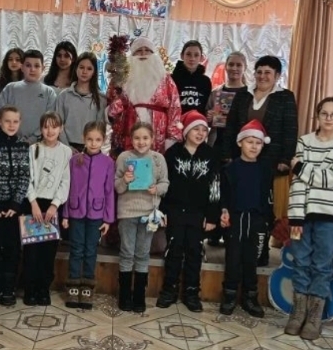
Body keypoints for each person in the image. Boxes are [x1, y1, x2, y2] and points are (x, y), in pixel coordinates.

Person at [284, 97, 333, 341]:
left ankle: (314, 317)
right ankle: (298, 313)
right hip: (301, 214)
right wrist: (295, 215)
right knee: (301, 262)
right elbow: (299, 183)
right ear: (317, 115)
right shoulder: (304, 141)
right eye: (324, 113)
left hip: (330, 215)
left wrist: (302, 168)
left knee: (322, 265)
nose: (328, 118)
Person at [223, 55, 298, 266]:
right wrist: (227, 154)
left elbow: (291, 130)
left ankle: (260, 252)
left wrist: (285, 158)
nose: (263, 76)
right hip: (242, 161)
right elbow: (231, 126)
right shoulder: (243, 95)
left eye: (268, 72)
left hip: (270, 162)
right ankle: (235, 248)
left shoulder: (285, 97)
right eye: (259, 72)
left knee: (263, 208)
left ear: (277, 75)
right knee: (240, 204)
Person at [156, 111, 220, 312]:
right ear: (186, 132)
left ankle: (192, 292)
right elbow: (164, 183)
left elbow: (215, 187)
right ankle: (169, 290)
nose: (200, 133)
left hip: (198, 213)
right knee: (174, 250)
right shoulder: (172, 153)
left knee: (194, 252)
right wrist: (163, 210)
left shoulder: (210, 155)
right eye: (196, 129)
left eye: (204, 130)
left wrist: (212, 215)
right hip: (175, 211)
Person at [219, 119, 274, 318]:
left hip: (256, 219)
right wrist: (224, 210)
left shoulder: (265, 169)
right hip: (235, 218)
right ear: (240, 142)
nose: (254, 146)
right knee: (233, 258)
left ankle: (250, 297)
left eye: (258, 143)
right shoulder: (230, 168)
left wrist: (268, 220)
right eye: (250, 142)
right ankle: (229, 295)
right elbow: (224, 194)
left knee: (252, 260)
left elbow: (268, 196)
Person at [114, 122, 169, 313]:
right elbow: (117, 187)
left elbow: (165, 183)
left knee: (143, 253)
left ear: (152, 139)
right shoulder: (124, 157)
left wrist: (157, 189)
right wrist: (124, 180)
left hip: (148, 213)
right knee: (127, 252)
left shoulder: (158, 159)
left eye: (145, 138)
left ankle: (139, 295)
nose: (141, 142)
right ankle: (124, 294)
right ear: (131, 139)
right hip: (127, 212)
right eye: (137, 138)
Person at [62, 121, 115, 309]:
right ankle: (73, 285)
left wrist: (108, 218)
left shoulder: (108, 163)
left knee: (91, 250)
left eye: (98, 139)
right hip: (75, 212)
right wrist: (65, 214)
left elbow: (109, 191)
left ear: (103, 140)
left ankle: (87, 287)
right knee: (76, 249)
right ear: (84, 139)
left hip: (96, 214)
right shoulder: (74, 161)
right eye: (90, 139)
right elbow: (68, 188)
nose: (93, 143)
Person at [22, 111, 72, 306]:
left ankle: (43, 289)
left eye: (54, 127)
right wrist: (33, 203)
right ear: (41, 129)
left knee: (48, 252)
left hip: (52, 206)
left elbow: (65, 181)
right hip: (33, 203)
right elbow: (27, 178)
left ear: (61, 128)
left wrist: (55, 204)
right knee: (31, 251)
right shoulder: (33, 149)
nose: (50, 131)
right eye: (46, 127)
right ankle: (30, 289)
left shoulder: (66, 152)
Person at [0, 105, 30, 307]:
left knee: (12, 249)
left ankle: (8, 289)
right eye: (7, 121)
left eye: (15, 121)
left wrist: (16, 203)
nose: (11, 125)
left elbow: (25, 176)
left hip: (14, 208)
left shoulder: (23, 145)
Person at [108, 37, 182, 156]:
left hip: (158, 132)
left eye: (147, 50)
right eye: (138, 50)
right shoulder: (122, 78)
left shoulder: (165, 78)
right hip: (128, 128)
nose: (143, 54)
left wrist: (172, 136)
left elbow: (175, 107)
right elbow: (110, 103)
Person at [206, 51, 248, 247]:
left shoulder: (249, 94)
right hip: (217, 143)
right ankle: (214, 230)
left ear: (244, 68)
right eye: (231, 64)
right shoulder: (216, 93)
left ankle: (232, 231)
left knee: (235, 189)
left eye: (239, 65)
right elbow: (207, 121)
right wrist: (209, 118)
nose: (234, 68)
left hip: (239, 148)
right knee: (216, 188)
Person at [0, 49, 57, 144]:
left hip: (39, 143)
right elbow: (2, 114)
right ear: (22, 67)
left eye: (37, 66)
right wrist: (13, 136)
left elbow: (49, 120)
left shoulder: (49, 92)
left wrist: (33, 138)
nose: (32, 69)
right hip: (10, 141)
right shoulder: (10, 88)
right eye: (28, 65)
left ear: (43, 68)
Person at [56, 52, 107, 153]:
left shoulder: (101, 98)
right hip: (66, 147)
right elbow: (58, 124)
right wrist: (67, 147)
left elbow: (100, 127)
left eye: (89, 69)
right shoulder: (64, 95)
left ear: (94, 72)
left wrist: (90, 148)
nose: (84, 71)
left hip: (91, 148)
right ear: (76, 68)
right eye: (81, 67)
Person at [171, 40, 212, 115]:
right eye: (188, 54)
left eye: (196, 55)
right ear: (182, 56)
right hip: (175, 120)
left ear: (201, 58)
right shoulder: (172, 79)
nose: (192, 58)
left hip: (198, 121)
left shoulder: (205, 81)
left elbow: (207, 107)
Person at [0, 48, 24, 118]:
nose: (13, 62)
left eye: (17, 60)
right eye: (10, 59)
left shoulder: (26, 82)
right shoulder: (0, 82)